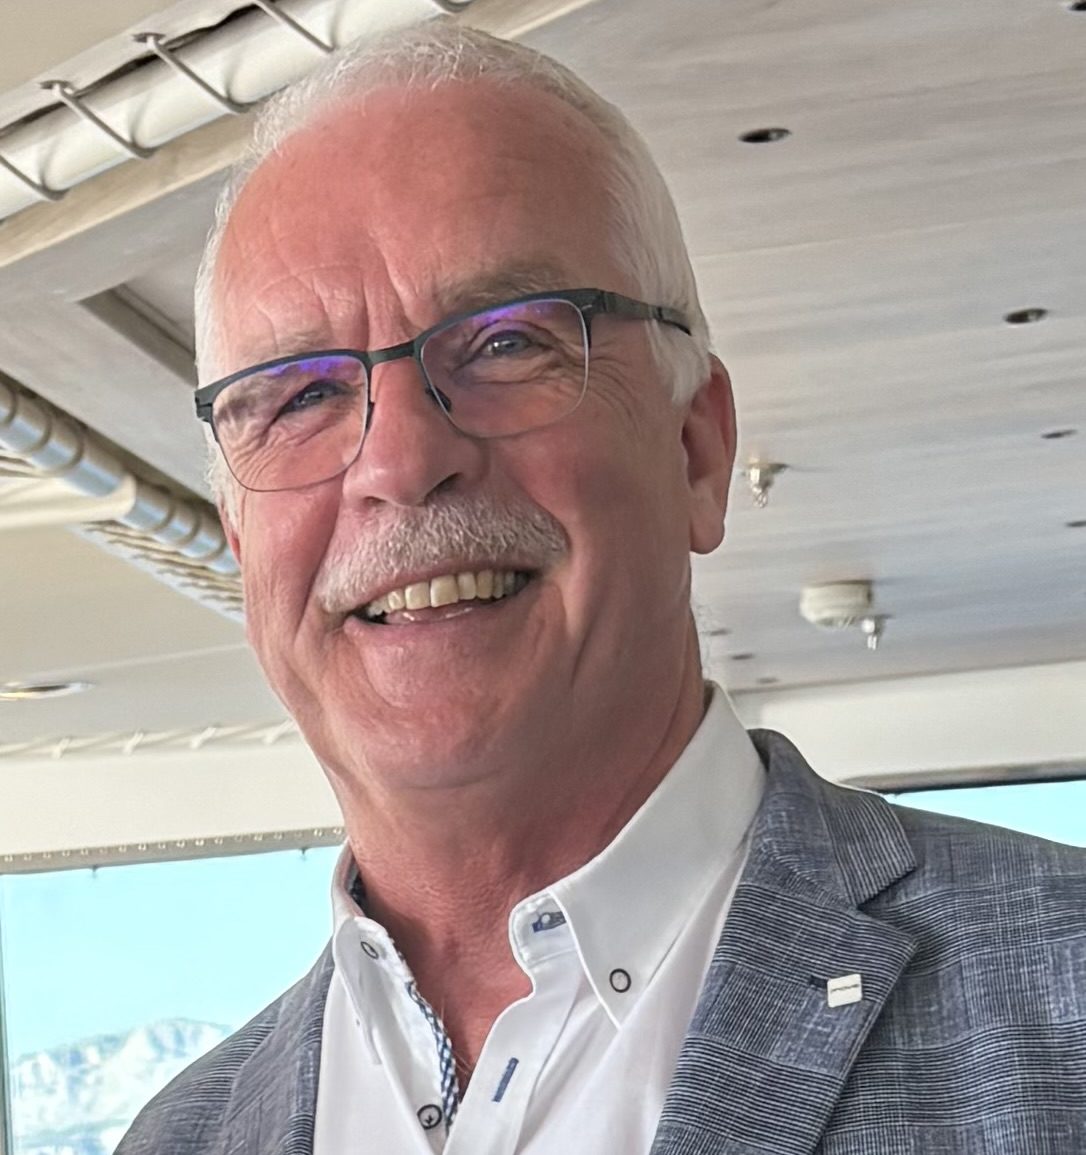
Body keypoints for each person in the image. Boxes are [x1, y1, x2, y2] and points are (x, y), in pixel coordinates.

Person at [117, 19, 1086, 1155]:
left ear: (696, 451)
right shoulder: (179, 1135)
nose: (399, 460)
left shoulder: (1063, 1006)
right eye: (298, 396)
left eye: (505, 343)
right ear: (240, 540)